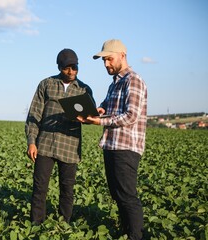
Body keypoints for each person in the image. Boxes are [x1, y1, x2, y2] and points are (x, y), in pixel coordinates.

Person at [77, 39, 147, 239]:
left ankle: (136, 236)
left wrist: (99, 122)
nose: (106, 64)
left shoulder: (132, 80)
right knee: (117, 195)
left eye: (109, 59)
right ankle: (126, 231)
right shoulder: (114, 84)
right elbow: (107, 107)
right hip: (111, 145)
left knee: (127, 195)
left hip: (126, 146)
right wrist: (96, 112)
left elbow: (131, 116)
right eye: (104, 60)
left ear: (122, 56)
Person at [25, 48, 94, 224]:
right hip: (44, 145)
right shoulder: (46, 84)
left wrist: (89, 118)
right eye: (66, 68)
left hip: (69, 147)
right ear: (59, 67)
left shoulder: (84, 89)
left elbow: (91, 118)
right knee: (40, 188)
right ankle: (36, 225)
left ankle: (63, 225)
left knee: (67, 189)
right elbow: (34, 114)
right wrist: (32, 142)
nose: (71, 72)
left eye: (74, 67)